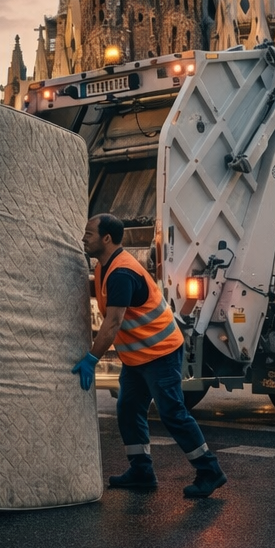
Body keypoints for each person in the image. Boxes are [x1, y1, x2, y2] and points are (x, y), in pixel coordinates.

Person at [72, 213, 227, 499]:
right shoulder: (104, 266)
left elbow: (113, 323)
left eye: (89, 234)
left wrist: (91, 358)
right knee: (129, 409)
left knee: (172, 412)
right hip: (138, 358)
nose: (84, 238)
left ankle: (209, 470)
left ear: (106, 239)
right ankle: (141, 470)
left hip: (160, 352)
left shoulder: (121, 273)